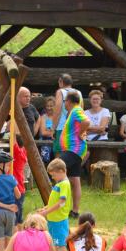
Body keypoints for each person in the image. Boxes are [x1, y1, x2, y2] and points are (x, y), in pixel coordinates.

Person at [56, 90, 90, 218]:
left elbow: (86, 122)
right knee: (75, 179)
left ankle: (56, 204)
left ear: (68, 101)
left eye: (65, 101)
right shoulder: (73, 112)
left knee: (56, 167)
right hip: (74, 149)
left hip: (74, 149)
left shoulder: (76, 110)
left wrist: (81, 133)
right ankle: (75, 211)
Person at [39, 158, 72, 251]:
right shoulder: (60, 183)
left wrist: (46, 212)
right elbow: (54, 201)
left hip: (59, 220)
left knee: (61, 244)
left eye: (53, 175)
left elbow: (61, 202)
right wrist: (45, 208)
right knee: (55, 243)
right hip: (53, 219)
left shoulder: (64, 184)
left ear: (61, 171)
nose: (52, 178)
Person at [53, 74, 80, 147]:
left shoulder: (60, 92)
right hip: (75, 128)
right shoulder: (78, 92)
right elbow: (81, 110)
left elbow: (57, 111)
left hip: (62, 127)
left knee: (60, 151)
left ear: (61, 81)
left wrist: (53, 128)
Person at [35, 97, 56, 163]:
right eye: (47, 106)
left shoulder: (58, 117)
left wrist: (50, 131)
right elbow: (43, 132)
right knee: (45, 158)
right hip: (45, 140)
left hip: (56, 140)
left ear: (55, 106)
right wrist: (54, 132)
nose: (49, 108)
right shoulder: (43, 117)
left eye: (51, 106)